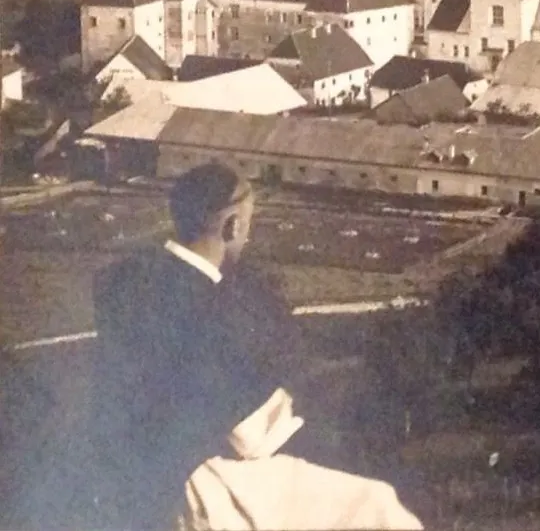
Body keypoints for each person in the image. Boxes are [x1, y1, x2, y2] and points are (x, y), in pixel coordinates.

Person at [89, 162, 423, 531]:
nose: (247, 235)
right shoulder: (214, 307)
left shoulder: (127, 282)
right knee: (377, 505)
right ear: (232, 225)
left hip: (132, 476)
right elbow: (252, 437)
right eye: (248, 223)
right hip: (198, 484)